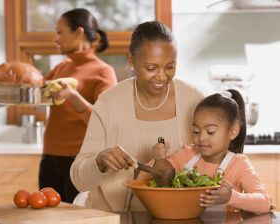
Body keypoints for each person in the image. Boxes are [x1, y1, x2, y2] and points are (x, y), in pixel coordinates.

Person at [70, 20, 204, 211]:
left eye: (170, 66)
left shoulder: (194, 100)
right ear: (131, 60)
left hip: (178, 214)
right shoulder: (108, 103)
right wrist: (99, 160)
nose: (161, 76)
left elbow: (215, 160)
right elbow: (79, 180)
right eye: (151, 68)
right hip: (112, 216)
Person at [148, 89, 274, 214]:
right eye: (196, 131)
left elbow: (264, 203)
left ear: (233, 131)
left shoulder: (238, 164)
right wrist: (159, 159)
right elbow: (153, 176)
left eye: (210, 132)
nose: (201, 138)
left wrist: (231, 197)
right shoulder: (188, 154)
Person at [39, 8, 117, 203]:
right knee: (47, 218)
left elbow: (106, 122)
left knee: (77, 219)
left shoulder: (103, 71)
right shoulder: (61, 67)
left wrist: (73, 96)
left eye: (59, 32)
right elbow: (35, 91)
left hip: (79, 162)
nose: (56, 39)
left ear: (79, 32)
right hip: (50, 158)